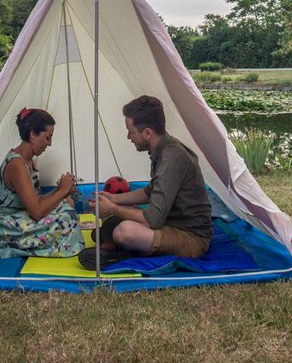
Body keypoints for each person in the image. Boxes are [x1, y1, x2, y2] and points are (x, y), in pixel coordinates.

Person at [78, 95, 212, 270]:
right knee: (111, 223)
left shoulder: (173, 158)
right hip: (169, 224)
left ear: (147, 133)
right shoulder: (163, 149)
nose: (128, 137)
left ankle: (122, 254)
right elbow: (149, 191)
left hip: (191, 237)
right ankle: (122, 247)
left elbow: (153, 219)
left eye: (131, 131)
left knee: (123, 231)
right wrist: (113, 199)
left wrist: (111, 208)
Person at [0, 107, 84, 259]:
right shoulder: (17, 164)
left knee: (66, 203)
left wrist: (60, 191)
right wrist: (62, 191)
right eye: (47, 138)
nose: (49, 144)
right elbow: (36, 212)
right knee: (67, 218)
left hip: (19, 213)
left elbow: (34, 200)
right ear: (32, 135)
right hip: (3, 223)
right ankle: (13, 244)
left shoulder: (28, 160)